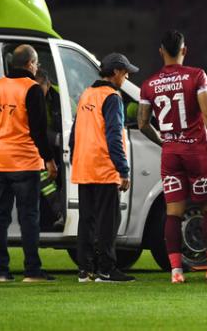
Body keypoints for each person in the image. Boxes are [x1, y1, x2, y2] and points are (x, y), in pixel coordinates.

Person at [138, 30, 207, 283]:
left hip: (171, 153)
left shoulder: (149, 84)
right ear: (184, 50)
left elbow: (142, 123)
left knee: (173, 212)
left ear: (161, 52)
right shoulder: (196, 76)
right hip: (196, 151)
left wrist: (163, 140)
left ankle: (176, 272)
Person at [0, 44, 57, 282]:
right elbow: (38, 131)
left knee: (0, 217)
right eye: (36, 64)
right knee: (28, 218)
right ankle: (32, 271)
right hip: (25, 163)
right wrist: (49, 160)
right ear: (30, 64)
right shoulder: (32, 88)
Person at [69, 53, 138, 283]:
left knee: (86, 221)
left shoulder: (86, 94)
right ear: (116, 72)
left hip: (84, 166)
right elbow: (114, 136)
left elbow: (74, 134)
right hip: (103, 167)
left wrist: (75, 157)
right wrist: (123, 169)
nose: (127, 76)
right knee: (108, 221)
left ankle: (85, 270)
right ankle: (107, 270)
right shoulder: (112, 97)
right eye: (125, 72)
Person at [34, 69, 65, 228]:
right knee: (45, 182)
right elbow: (36, 128)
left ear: (48, 84)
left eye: (41, 88)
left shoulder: (61, 96)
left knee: (64, 179)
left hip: (60, 147)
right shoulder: (31, 96)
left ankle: (64, 214)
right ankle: (60, 212)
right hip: (40, 147)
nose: (38, 92)